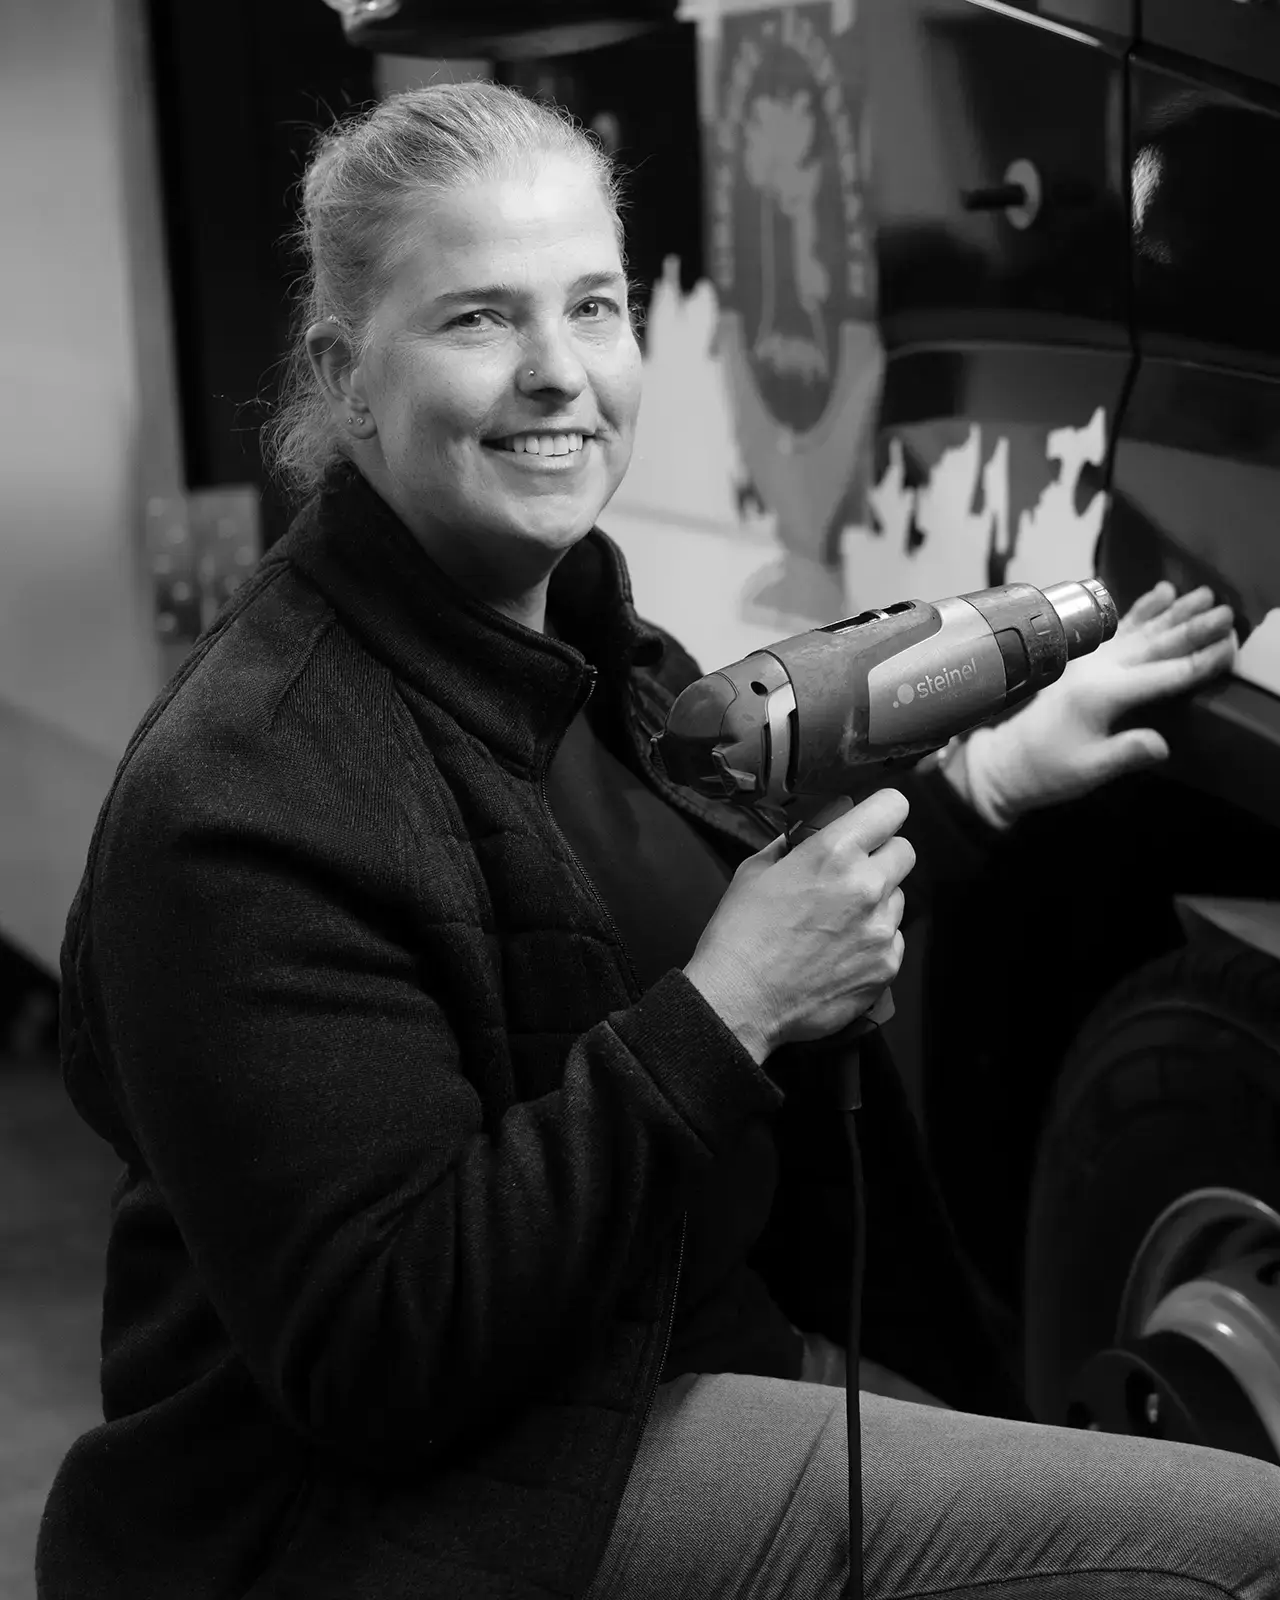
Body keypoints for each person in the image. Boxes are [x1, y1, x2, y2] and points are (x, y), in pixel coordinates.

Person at [35, 80, 1275, 1600]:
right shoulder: (246, 793)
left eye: (596, 307)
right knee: (1238, 1548)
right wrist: (731, 1008)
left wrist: (988, 788)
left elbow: (733, 913)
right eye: (479, 318)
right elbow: (380, 1356)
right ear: (346, 378)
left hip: (664, 1355)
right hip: (411, 1508)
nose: (559, 372)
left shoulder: (595, 642)